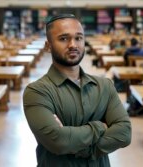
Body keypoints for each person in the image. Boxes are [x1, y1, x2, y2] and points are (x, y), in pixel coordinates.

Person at [23, 14, 131, 167]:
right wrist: (101, 126)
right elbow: (58, 141)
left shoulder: (105, 86)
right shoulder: (37, 92)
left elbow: (124, 133)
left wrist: (80, 147)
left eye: (79, 38)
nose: (73, 44)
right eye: (63, 38)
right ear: (48, 46)